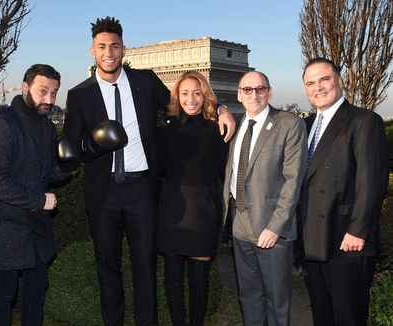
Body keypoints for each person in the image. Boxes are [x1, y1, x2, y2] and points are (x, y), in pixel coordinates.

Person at [59, 16, 236, 325]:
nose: (109, 52)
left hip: (142, 189)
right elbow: (72, 149)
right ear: (92, 51)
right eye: (102, 47)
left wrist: (221, 109)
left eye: (114, 46)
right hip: (103, 193)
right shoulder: (79, 94)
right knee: (108, 267)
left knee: (145, 267)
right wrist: (95, 144)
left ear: (123, 49)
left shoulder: (145, 81)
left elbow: (187, 99)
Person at [299, 58, 388, 326]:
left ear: (339, 81)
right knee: (322, 315)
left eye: (324, 79)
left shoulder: (364, 120)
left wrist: (359, 230)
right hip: (312, 239)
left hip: (347, 240)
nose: (318, 87)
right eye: (310, 83)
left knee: (348, 316)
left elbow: (372, 180)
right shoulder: (304, 126)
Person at [0, 64, 68, 325]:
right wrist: (40, 200)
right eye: (43, 92)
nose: (49, 100)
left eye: (53, 93)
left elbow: (49, 174)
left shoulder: (48, 128)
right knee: (3, 297)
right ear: (26, 88)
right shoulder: (2, 124)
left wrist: (72, 163)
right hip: (5, 230)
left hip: (36, 230)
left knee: (36, 294)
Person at [222, 71, 307, 326]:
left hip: (271, 228)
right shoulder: (235, 126)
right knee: (249, 296)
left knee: (276, 300)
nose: (254, 94)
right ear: (239, 94)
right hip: (240, 223)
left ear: (269, 92)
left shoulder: (289, 124)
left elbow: (293, 181)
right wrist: (221, 109)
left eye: (260, 89)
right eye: (247, 89)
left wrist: (275, 227)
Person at [157, 71, 227, 326]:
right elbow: (158, 170)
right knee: (173, 277)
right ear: (177, 96)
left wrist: (223, 110)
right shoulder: (165, 129)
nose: (191, 99)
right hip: (172, 210)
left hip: (204, 211)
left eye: (197, 93)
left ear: (205, 94)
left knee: (199, 278)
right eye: (185, 93)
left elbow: (225, 171)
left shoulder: (218, 129)